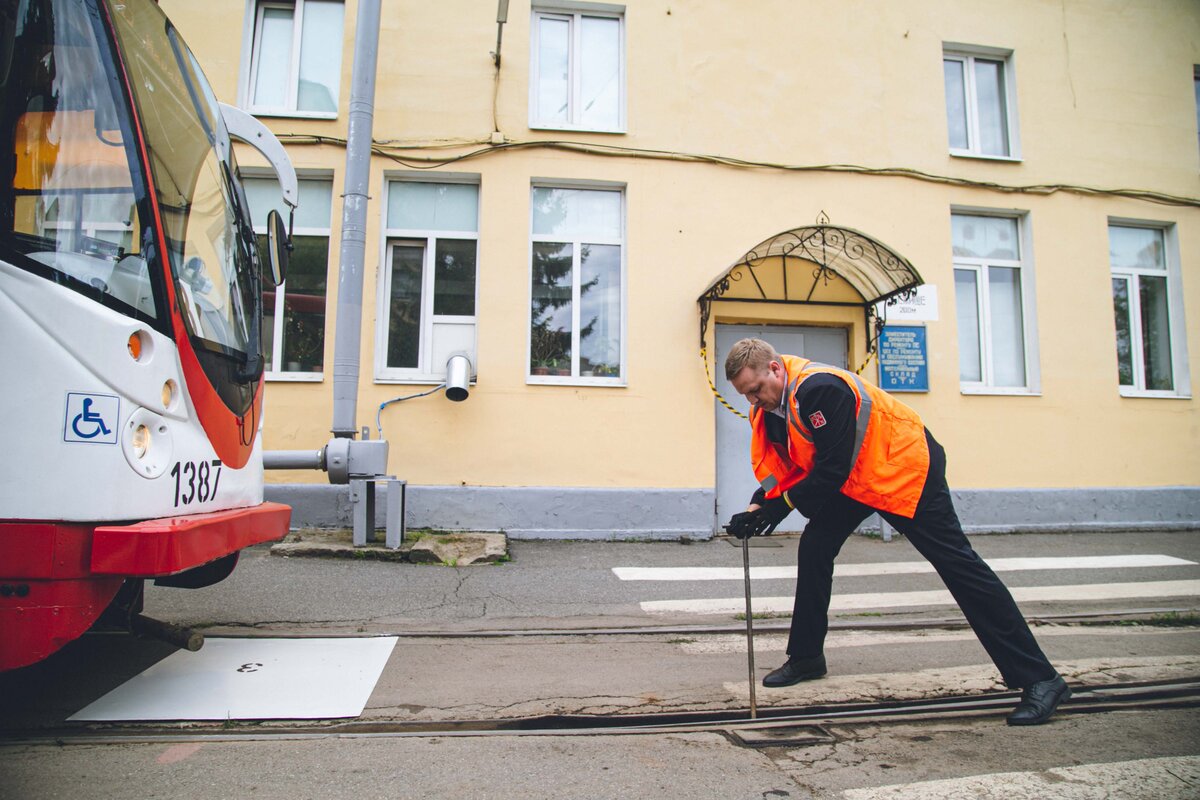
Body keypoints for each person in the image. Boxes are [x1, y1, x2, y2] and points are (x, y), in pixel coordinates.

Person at [722, 337, 1069, 726]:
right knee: (816, 547)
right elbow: (789, 465)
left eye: (755, 390)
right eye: (745, 395)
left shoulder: (820, 388)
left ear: (774, 369)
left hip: (905, 469)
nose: (754, 401)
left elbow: (831, 469)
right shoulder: (772, 406)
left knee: (959, 567)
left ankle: (1041, 679)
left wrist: (780, 507)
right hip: (860, 478)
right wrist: (759, 504)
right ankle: (806, 657)